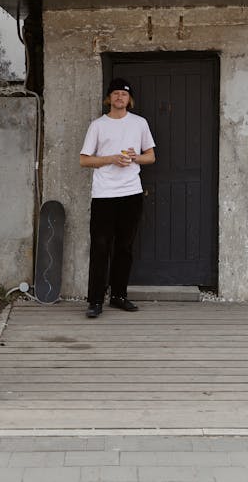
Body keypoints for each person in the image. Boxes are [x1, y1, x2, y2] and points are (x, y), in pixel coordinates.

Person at [79, 77, 156, 318]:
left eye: (124, 94)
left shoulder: (140, 123)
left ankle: (119, 296)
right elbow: (84, 159)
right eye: (115, 94)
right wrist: (111, 159)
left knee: (125, 247)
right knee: (101, 247)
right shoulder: (98, 125)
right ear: (109, 98)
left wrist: (135, 157)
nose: (119, 98)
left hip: (131, 193)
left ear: (129, 99)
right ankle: (95, 301)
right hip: (103, 194)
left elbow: (151, 156)